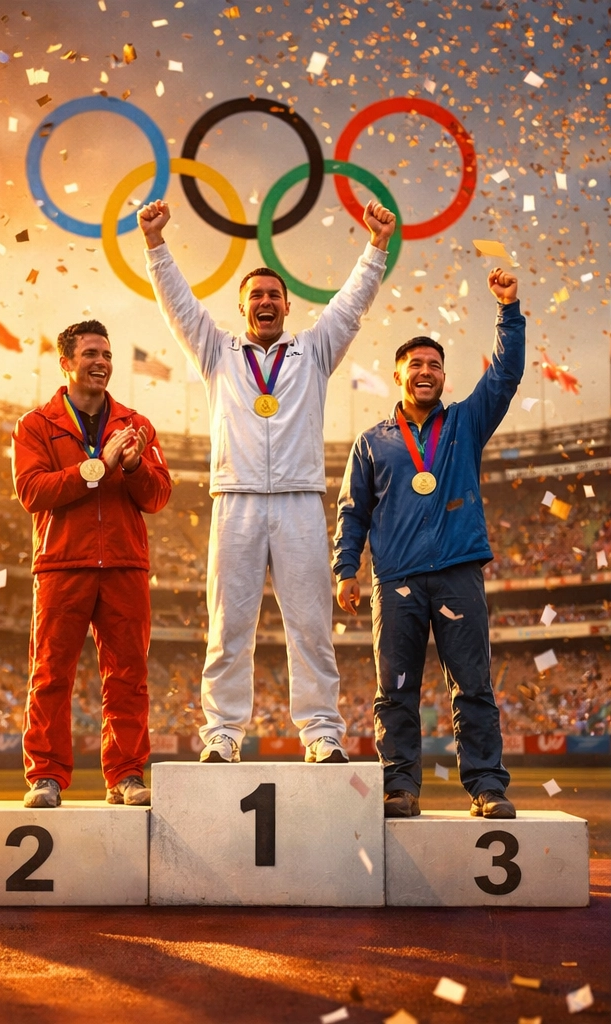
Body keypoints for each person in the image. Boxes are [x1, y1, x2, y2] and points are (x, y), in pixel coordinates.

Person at [138, 196, 395, 765]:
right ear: (241, 307)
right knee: (229, 627)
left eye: (274, 295)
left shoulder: (315, 349)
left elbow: (350, 306)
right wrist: (156, 246)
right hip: (236, 499)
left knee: (311, 627)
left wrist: (375, 247)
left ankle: (321, 733)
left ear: (286, 306)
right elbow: (179, 307)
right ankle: (223, 734)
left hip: (301, 501)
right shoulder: (217, 351)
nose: (265, 302)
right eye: (255, 295)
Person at [333, 267, 524, 819]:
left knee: (473, 687)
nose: (425, 371)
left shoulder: (466, 422)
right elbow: (353, 511)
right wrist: (347, 570)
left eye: (434, 365)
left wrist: (507, 311)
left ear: (444, 377)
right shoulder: (372, 443)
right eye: (415, 364)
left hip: (458, 573)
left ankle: (487, 786)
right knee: (395, 690)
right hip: (394, 582)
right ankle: (400, 788)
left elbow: (506, 374)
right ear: (398, 374)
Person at [12, 320, 173, 807]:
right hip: (62, 564)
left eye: (106, 353)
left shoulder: (138, 425)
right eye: (89, 354)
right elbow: (31, 492)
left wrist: (133, 466)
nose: (100, 361)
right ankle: (46, 777)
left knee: (127, 675)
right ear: (65, 363)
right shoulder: (35, 425)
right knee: (50, 673)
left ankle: (126, 775)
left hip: (124, 563)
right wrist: (96, 467)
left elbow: (159, 496)